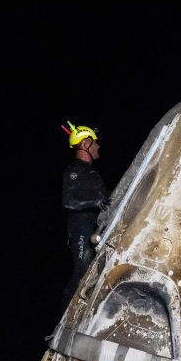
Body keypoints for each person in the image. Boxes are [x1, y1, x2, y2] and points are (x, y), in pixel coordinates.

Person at [61, 121, 109, 312]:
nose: (98, 146)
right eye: (94, 142)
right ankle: (62, 320)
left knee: (96, 273)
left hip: (96, 228)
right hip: (81, 229)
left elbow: (108, 199)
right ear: (84, 144)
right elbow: (68, 201)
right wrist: (95, 203)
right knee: (82, 272)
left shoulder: (93, 174)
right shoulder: (75, 170)